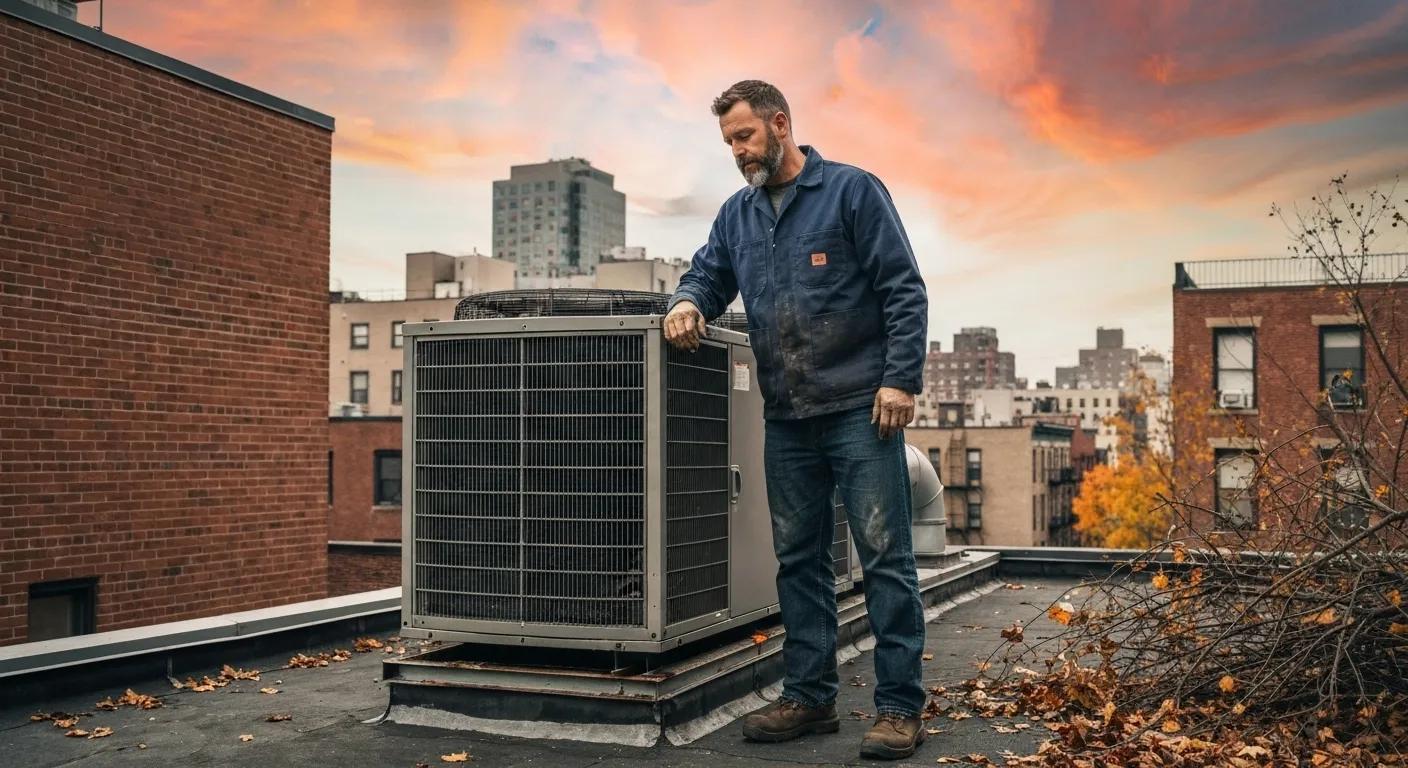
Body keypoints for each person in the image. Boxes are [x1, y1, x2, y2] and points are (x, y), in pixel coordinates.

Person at [663, 80, 930, 760]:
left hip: (860, 412)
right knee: (799, 563)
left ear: (781, 124)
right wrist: (687, 302)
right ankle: (809, 698)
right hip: (787, 417)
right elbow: (707, 274)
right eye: (728, 142)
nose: (737, 151)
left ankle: (900, 708)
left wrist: (901, 379)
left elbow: (903, 287)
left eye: (745, 136)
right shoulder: (737, 216)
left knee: (885, 560)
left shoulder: (851, 192)